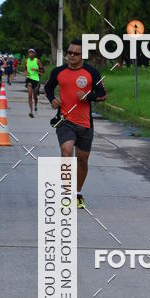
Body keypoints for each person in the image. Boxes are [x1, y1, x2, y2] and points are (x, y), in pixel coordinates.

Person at [44, 38, 106, 209]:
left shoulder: (92, 73)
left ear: (82, 55)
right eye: (69, 52)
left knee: (82, 160)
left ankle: (77, 194)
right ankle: (65, 193)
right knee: (66, 151)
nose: (71, 56)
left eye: (75, 53)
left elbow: (102, 95)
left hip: (85, 122)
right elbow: (48, 88)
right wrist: (52, 100)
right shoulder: (58, 71)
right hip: (65, 120)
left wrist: (88, 97)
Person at [24, 48, 43, 117]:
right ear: (28, 54)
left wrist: (36, 69)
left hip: (36, 80)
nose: (31, 54)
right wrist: (26, 72)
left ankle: (35, 104)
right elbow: (25, 69)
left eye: (32, 53)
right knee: (29, 95)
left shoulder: (37, 61)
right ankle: (31, 111)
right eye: (29, 53)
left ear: (34, 54)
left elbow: (43, 70)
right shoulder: (26, 61)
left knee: (35, 95)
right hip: (29, 79)